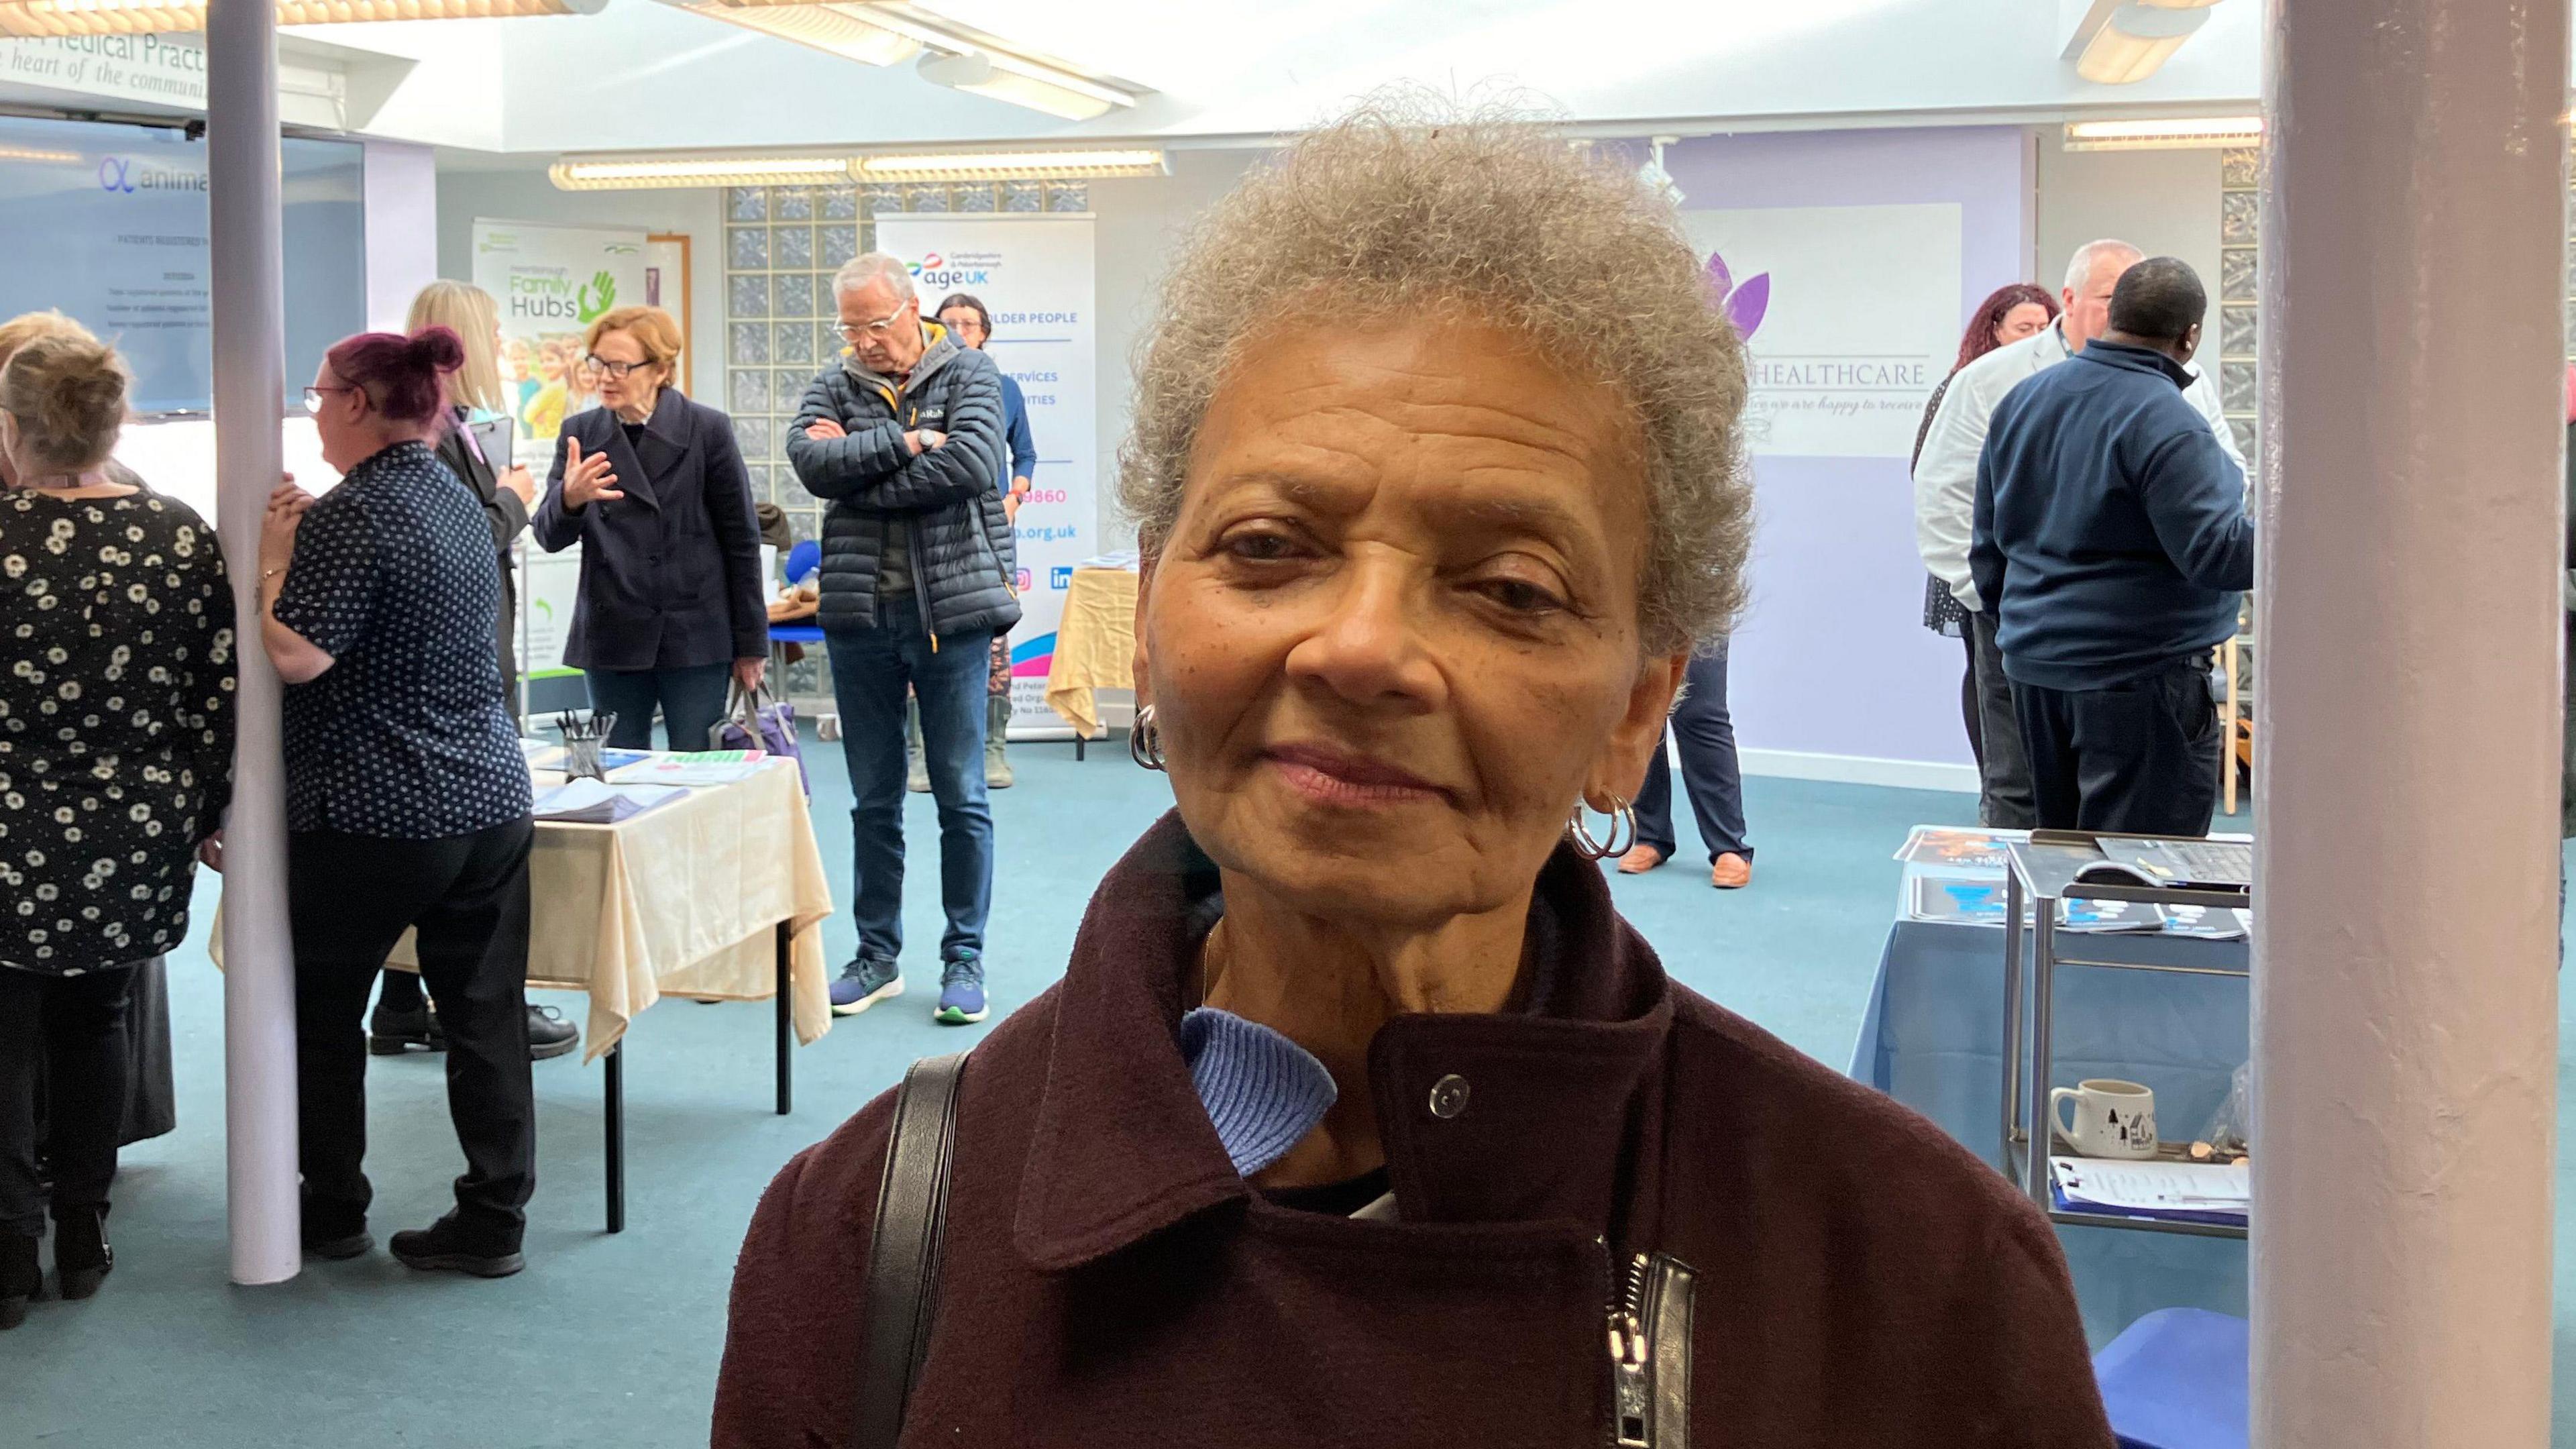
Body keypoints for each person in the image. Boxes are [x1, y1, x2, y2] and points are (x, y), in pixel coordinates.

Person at [716, 103, 2112, 1448]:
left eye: (1510, 584)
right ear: (1149, 618)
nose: (1364, 648)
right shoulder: (873, 1237)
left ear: (1640, 703)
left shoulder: (1916, 1282)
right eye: (1268, 547)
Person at [250, 326, 540, 1278]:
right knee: (484, 1016)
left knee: (322, 1011)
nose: (313, 410)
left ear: (361, 404)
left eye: (320, 393)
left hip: (376, 811)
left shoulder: (352, 515)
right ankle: (494, 1217)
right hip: (490, 798)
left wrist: (269, 565)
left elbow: (299, 654)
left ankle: (332, 1208)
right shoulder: (464, 499)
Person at [0, 332, 233, 1328]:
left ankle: (10, 1253)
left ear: (12, 431)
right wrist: (209, 814)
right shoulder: (179, 536)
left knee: (4, 1042)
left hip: (6, 828)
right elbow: (215, 699)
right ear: (114, 424)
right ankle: (86, 1229)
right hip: (132, 834)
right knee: (98, 1024)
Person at [1913, 240, 2243, 827]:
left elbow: (1985, 542)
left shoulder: (2024, 402)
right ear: (2189, 337)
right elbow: (2216, 552)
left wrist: (2026, 620)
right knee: (2139, 870)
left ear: (2113, 319)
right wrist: (2299, 539)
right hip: (2140, 680)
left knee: (2055, 844)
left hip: (2039, 671)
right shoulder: (2168, 419)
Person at [788, 255, 1018, 1028]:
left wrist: (867, 467)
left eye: (875, 326)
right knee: (873, 800)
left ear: (912, 310)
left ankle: (964, 960)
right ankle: (876, 957)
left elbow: (975, 464)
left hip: (949, 619)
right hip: (859, 619)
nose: (861, 342)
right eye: (849, 328)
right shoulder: (833, 382)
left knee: (961, 793)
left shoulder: (971, 374)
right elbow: (812, 464)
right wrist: (907, 444)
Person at [384, 280, 578, 1063]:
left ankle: (403, 1002)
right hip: (460, 668)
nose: (504, 343)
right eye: (492, 330)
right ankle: (464, 1003)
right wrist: (514, 499)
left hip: (472, 651)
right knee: (470, 851)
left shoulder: (463, 429)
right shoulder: (432, 438)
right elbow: (462, 539)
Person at [531, 305, 769, 751]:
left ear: (661, 369)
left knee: (698, 770)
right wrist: (569, 498)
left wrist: (752, 643)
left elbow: (741, 540)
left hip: (694, 632)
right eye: (597, 363)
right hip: (613, 631)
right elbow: (547, 536)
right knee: (619, 771)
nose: (604, 376)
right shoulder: (580, 432)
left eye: (619, 365)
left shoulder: (707, 429)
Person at [1913, 283, 2059, 769]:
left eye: (2043, 327)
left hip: (2033, 559)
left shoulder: (2059, 386)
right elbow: (1928, 467)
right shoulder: (1964, 385)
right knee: (1983, 670)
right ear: (1994, 331)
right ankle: (1992, 778)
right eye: (2024, 328)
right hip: (1971, 552)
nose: (2035, 336)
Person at [926, 291, 1037, 791]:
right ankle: (920, 753)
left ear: (984, 332)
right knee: (920, 632)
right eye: (949, 323)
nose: (959, 331)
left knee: (992, 633)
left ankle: (993, 749)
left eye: (969, 324)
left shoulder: (1006, 388)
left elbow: (1027, 455)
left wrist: (1015, 495)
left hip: (989, 529)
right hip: (929, 526)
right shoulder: (920, 387)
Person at [1614, 644, 1755, 887]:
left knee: (1700, 712)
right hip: (1637, 607)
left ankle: (1729, 846)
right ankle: (1650, 836)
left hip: (1698, 607)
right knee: (1642, 710)